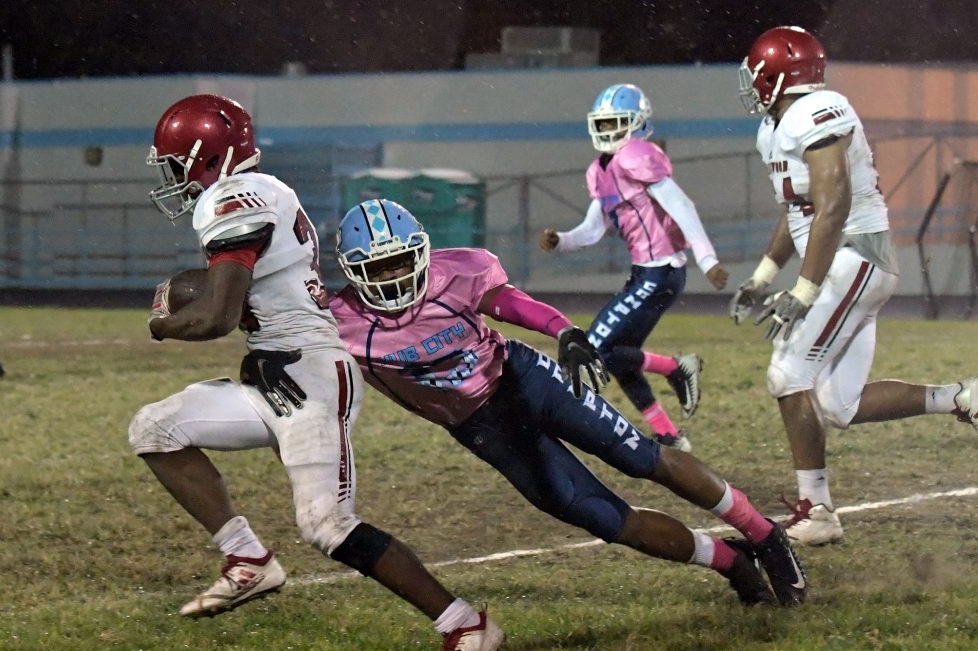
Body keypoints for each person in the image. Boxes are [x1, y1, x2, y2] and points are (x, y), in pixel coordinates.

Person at [246, 198, 809, 609]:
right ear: (352, 274)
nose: (394, 278)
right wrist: (260, 361)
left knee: (643, 458)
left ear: (423, 251)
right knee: (610, 521)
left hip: (526, 379)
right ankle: (732, 562)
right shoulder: (339, 322)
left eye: (401, 262)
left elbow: (509, 303)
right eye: (378, 269)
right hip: (482, 427)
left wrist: (565, 331)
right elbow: (274, 335)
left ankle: (764, 533)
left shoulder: (456, 271)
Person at [127, 94, 502, 651]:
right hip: (275, 373)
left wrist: (163, 323)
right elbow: (243, 294)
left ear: (208, 156)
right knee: (155, 428)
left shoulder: (234, 199)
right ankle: (248, 559)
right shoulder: (261, 192)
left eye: (177, 164)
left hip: (312, 377)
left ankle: (466, 624)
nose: (173, 179)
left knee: (327, 525)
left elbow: (217, 317)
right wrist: (193, 290)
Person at [733, 26, 978, 546]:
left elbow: (833, 206)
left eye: (757, 71)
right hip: (846, 262)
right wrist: (764, 275)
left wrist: (804, 291)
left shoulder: (817, 110)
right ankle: (961, 397)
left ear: (777, 74)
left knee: (787, 374)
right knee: (839, 404)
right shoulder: (776, 127)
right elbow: (798, 208)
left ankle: (818, 511)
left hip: (856, 255)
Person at [538, 83, 730, 452]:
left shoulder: (637, 156)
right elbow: (593, 229)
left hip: (661, 270)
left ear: (638, 123)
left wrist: (708, 260)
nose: (609, 131)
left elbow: (682, 206)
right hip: (645, 273)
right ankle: (669, 435)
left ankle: (675, 367)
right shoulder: (601, 169)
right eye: (604, 123)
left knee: (595, 347)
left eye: (617, 123)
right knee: (617, 355)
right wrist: (561, 240)